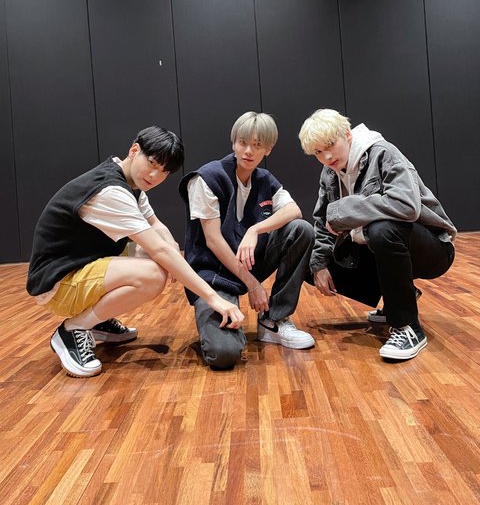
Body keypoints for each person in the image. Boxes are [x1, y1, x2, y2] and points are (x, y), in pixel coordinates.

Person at [27, 126, 244, 378]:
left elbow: (156, 225)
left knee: (155, 255)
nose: (155, 175)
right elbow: (158, 249)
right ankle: (73, 329)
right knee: (153, 273)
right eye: (152, 163)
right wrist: (213, 298)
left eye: (164, 171)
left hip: (77, 266)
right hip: (58, 284)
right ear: (134, 150)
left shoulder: (129, 182)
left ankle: (96, 320)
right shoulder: (110, 191)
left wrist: (172, 247)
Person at [298, 108, 456, 361]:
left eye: (330, 145)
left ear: (347, 134)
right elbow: (322, 221)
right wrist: (319, 266)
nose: (326, 156)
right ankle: (398, 297)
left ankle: (407, 327)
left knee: (382, 229)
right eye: (318, 152)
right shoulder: (329, 173)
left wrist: (344, 211)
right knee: (310, 260)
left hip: (432, 250)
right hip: (381, 248)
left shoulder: (383, 153)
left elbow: (407, 206)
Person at [179, 111, 315, 370]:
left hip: (248, 261)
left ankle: (274, 320)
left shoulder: (265, 179)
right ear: (234, 142)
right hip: (213, 274)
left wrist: (255, 230)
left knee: (301, 230)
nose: (249, 151)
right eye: (243, 143)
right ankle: (225, 328)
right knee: (224, 354)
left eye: (257, 145)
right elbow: (213, 240)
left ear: (268, 149)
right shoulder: (206, 178)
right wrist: (253, 284)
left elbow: (294, 210)